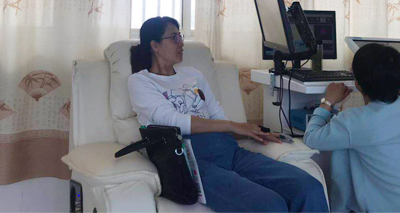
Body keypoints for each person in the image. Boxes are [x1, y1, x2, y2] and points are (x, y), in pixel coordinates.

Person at [128, 16, 329, 213]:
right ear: (155, 45)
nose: (181, 42)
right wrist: (233, 125)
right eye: (174, 37)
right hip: (193, 161)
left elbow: (218, 117)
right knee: (270, 205)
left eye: (180, 36)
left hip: (230, 150)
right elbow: (173, 122)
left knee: (309, 188)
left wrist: (251, 132)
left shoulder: (193, 74)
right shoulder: (140, 81)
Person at [304, 43, 400, 213]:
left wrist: (328, 101)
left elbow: (311, 137)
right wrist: (390, 78)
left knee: (346, 148)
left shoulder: (354, 121)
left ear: (357, 83)